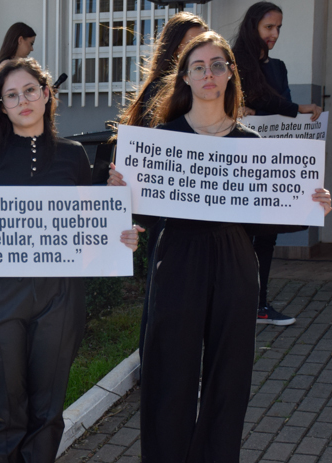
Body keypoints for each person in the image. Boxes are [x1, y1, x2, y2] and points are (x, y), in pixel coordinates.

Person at [107, 31, 332, 462]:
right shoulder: (162, 139)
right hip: (177, 257)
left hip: (234, 259)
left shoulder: (250, 144)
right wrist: (121, 193)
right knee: (169, 369)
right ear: (185, 79)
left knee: (229, 375)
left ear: (231, 74)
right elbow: (143, 216)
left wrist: (309, 204)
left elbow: (266, 220)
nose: (208, 74)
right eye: (198, 67)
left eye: (217, 65)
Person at [0, 58, 142, 463]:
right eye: (12, 95)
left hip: (60, 296)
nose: (23, 101)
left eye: (30, 91)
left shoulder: (74, 157)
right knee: (2, 410)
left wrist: (120, 234)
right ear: (0, 106)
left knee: (47, 411)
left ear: (47, 94)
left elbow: (85, 228)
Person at [114, 10, 208, 357]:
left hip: (198, 208)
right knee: (163, 293)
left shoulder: (206, 91)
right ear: (172, 49)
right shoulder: (159, 90)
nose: (194, 52)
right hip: (167, 212)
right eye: (188, 44)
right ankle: (153, 364)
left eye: (199, 43)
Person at [232, 1, 323, 327]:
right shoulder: (231, 63)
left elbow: (275, 102)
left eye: (279, 28)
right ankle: (237, 303)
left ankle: (260, 303)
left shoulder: (278, 66)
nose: (275, 34)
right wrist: (239, 109)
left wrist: (292, 111)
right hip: (240, 166)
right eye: (269, 27)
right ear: (253, 25)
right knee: (239, 235)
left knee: (267, 235)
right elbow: (255, 103)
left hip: (272, 166)